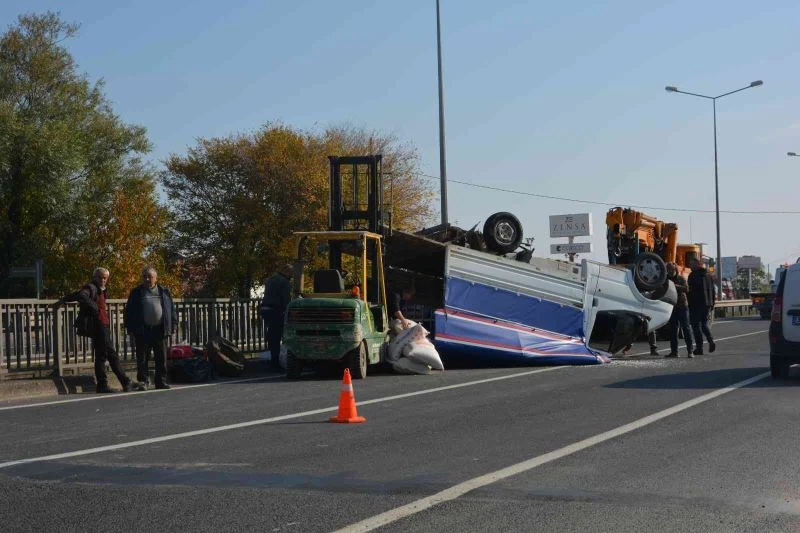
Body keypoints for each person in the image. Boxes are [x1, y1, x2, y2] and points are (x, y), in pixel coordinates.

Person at [54, 268, 140, 393]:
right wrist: (96, 309)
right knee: (109, 355)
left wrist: (63, 299)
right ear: (95, 277)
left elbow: (77, 294)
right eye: (100, 277)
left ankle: (115, 383)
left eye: (105, 278)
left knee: (103, 355)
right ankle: (119, 383)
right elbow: (81, 295)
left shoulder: (99, 289)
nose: (103, 280)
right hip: (98, 324)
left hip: (102, 323)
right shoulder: (91, 287)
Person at [124, 267, 177, 390]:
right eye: (144, 276)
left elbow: (171, 309)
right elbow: (129, 311)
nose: (147, 279)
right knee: (142, 358)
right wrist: (130, 328)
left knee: (161, 357)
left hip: (160, 329)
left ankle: (161, 381)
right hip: (143, 329)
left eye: (150, 276)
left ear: (156, 278)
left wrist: (173, 324)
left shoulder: (164, 291)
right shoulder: (136, 292)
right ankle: (144, 381)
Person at [260, 264, 293, 371]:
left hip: (265, 309)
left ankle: (272, 360)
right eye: (291, 273)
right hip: (275, 310)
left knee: (272, 335)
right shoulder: (284, 282)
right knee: (277, 335)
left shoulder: (271, 279)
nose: (291, 276)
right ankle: (275, 363)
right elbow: (286, 300)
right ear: (287, 272)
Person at [664, 262, 694, 358]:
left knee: (686, 328)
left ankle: (690, 351)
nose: (670, 271)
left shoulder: (680, 278)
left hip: (682, 305)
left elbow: (687, 289)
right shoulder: (665, 279)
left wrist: (676, 286)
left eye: (672, 269)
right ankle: (674, 352)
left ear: (675, 269)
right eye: (668, 269)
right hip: (671, 306)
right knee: (673, 330)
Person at [687, 258, 716, 355]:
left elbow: (690, 291)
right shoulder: (709, 275)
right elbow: (713, 291)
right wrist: (712, 303)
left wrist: (689, 303)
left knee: (696, 326)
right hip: (707, 303)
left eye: (692, 264)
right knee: (704, 324)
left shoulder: (693, 275)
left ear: (697, 264)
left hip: (696, 304)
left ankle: (699, 348)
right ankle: (710, 340)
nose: (690, 266)